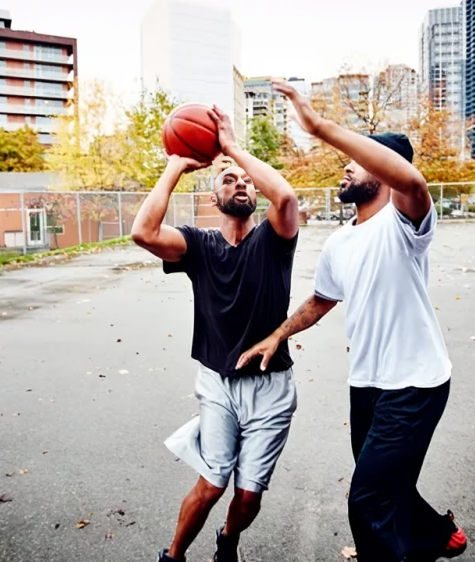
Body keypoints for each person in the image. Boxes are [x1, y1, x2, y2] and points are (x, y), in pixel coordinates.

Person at [237, 82, 468, 562]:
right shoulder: (341, 241)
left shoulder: (405, 222)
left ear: (386, 173)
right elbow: (322, 300)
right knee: (385, 482)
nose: (346, 164)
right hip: (367, 384)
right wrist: (276, 335)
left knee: (367, 500)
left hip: (416, 383)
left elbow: (414, 184)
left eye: (360, 161)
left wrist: (320, 127)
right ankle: (436, 535)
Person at [131, 105, 300, 562]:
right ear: (212, 198)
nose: (240, 182)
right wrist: (174, 164)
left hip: (271, 386)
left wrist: (232, 151)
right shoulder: (198, 245)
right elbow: (143, 232)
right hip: (217, 383)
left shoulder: (274, 238)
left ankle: (229, 539)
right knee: (210, 485)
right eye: (228, 179)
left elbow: (284, 198)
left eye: (244, 179)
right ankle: (174, 556)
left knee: (247, 497)